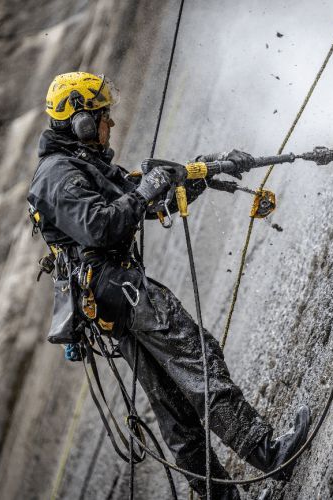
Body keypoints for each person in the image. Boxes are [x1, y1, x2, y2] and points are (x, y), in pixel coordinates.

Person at [28, 72, 310, 499]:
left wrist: (201, 171)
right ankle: (270, 453)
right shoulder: (57, 175)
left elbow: (140, 196)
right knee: (198, 359)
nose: (111, 125)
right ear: (81, 123)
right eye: (103, 117)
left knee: (175, 406)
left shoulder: (79, 166)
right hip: (118, 289)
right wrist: (144, 193)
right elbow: (102, 226)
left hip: (108, 300)